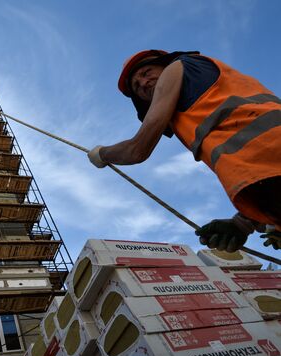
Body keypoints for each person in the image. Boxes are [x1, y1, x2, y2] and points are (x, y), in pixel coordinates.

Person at [87, 50, 281, 252]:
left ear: (164, 64)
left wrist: (101, 154)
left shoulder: (176, 67)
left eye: (146, 73)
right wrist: (243, 224)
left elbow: (137, 150)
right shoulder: (201, 103)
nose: (143, 83)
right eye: (136, 86)